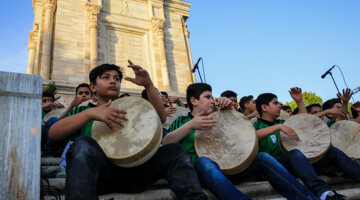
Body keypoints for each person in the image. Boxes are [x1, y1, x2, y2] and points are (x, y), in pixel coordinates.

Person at [49, 61, 207, 200]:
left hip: (136, 172)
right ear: (93, 86)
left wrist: (149, 85)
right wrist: (90, 114)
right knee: (83, 144)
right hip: (102, 176)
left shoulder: (132, 106)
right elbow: (53, 133)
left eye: (116, 79)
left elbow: (161, 118)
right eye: (106, 77)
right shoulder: (84, 112)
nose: (113, 81)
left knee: (174, 150)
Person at [162, 83, 317, 200]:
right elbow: (166, 143)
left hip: (229, 170)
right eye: (208, 97)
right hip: (200, 173)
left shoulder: (220, 118)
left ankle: (308, 198)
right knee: (204, 162)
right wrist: (191, 125)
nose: (212, 100)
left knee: (262, 157)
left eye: (212, 97)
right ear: (194, 101)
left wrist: (229, 109)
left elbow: (243, 136)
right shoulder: (183, 120)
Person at [254, 87, 360, 200]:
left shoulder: (284, 123)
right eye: (275, 103)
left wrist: (299, 102)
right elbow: (252, 137)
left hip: (299, 164)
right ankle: (323, 192)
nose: (280, 105)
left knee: (331, 152)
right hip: (275, 168)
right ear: (264, 107)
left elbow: (306, 121)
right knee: (294, 153)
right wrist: (278, 127)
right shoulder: (256, 125)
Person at [56, 83, 93, 177]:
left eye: (87, 93)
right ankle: (63, 168)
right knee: (69, 149)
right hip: (74, 139)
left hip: (89, 140)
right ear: (76, 97)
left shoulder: (94, 109)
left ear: (92, 96)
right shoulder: (74, 111)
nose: (84, 95)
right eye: (81, 93)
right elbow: (60, 123)